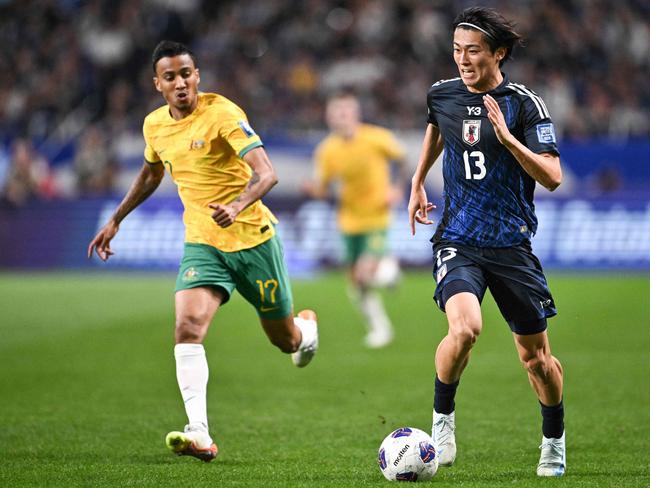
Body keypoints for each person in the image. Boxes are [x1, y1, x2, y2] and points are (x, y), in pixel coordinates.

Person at [88, 41, 319, 462]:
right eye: (171, 77)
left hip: (253, 240)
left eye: (187, 74)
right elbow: (151, 172)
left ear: (197, 76)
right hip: (202, 242)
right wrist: (117, 218)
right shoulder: (154, 126)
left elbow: (267, 174)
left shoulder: (224, 114)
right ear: (157, 83)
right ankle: (199, 432)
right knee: (188, 326)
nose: (181, 83)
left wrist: (235, 205)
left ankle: (306, 331)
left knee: (284, 340)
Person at [407, 7, 566, 477]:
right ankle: (442, 423)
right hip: (458, 238)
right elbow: (437, 128)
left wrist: (509, 140)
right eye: (457, 50)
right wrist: (417, 181)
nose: (462, 59)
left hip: (511, 246)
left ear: (498, 53)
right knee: (464, 329)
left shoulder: (524, 105)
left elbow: (553, 177)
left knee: (536, 359)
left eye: (472, 50)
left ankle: (553, 441)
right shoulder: (442, 95)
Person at [305, 91, 406, 348]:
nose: (340, 117)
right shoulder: (327, 150)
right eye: (335, 113)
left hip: (376, 217)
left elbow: (404, 161)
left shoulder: (376, 138)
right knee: (357, 284)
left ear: (355, 114)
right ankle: (380, 327)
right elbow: (323, 188)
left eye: (345, 112)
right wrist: (312, 189)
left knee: (364, 273)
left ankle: (388, 270)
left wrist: (397, 189)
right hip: (348, 221)